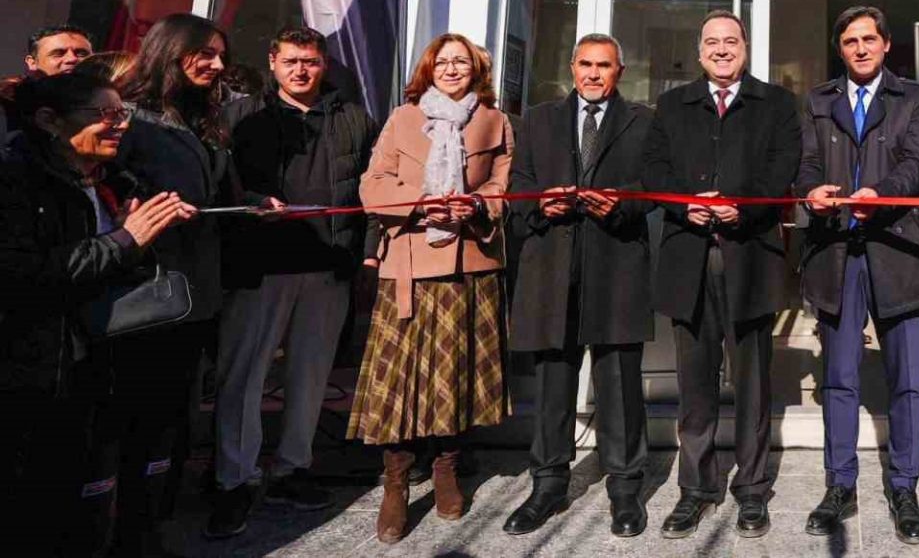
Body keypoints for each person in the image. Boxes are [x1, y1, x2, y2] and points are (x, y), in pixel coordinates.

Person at [0, 71, 196, 557]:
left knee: (98, 482)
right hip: (40, 364)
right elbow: (29, 272)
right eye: (104, 115)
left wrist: (143, 232)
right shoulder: (16, 178)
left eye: (122, 113)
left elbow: (116, 257)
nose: (120, 125)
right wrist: (125, 240)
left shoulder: (113, 178)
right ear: (50, 121)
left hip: (104, 356)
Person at [205, 27, 379, 539]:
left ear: (324, 64)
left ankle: (291, 469)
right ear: (273, 62)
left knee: (310, 377)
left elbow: (371, 193)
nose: (301, 70)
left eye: (310, 61)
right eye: (291, 61)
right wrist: (249, 205)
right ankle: (234, 480)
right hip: (259, 267)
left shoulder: (354, 119)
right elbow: (220, 188)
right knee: (244, 378)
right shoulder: (240, 116)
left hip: (327, 266)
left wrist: (368, 255)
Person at [348, 32, 513, 545]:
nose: (452, 69)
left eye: (462, 62)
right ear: (429, 68)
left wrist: (478, 205)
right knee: (399, 381)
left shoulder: (495, 120)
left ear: (476, 70)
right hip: (410, 263)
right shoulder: (403, 118)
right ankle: (396, 482)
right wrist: (420, 200)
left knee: (457, 374)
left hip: (469, 265)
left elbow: (503, 186)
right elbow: (372, 184)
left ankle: (446, 468)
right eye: (443, 62)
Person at [641, 9, 800, 540]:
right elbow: (653, 170)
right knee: (695, 385)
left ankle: (752, 490)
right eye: (712, 41)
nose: (722, 49)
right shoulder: (672, 104)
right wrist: (685, 204)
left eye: (731, 41)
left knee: (753, 384)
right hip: (688, 259)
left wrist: (743, 206)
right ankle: (695, 489)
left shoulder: (776, 103)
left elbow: (783, 168)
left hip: (749, 257)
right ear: (700, 50)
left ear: (745, 48)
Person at [797, 6, 919, 545]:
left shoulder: (915, 97)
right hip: (836, 249)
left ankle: (905, 487)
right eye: (850, 41)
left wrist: (881, 194)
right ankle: (840, 485)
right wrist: (811, 190)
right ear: (840, 49)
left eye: (868, 39)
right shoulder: (818, 100)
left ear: (886, 45)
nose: (859, 48)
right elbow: (807, 163)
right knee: (839, 376)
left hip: (897, 247)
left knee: (907, 379)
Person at [503, 33, 655, 538]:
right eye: (586, 64)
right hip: (552, 265)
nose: (593, 74)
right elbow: (518, 185)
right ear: (572, 67)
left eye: (604, 66)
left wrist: (623, 202)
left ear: (619, 72)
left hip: (616, 264)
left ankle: (626, 489)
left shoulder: (642, 121)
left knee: (620, 383)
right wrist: (538, 204)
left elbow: (655, 186)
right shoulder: (539, 119)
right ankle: (547, 484)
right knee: (553, 382)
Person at [114, 13, 246, 556]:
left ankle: (152, 523)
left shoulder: (204, 118)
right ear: (170, 50)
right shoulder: (129, 116)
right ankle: (125, 532)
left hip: (197, 291)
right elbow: (112, 190)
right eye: (205, 53)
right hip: (149, 293)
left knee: (174, 416)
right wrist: (148, 205)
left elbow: (214, 192)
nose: (217, 65)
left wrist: (254, 204)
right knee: (137, 420)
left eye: (221, 55)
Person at [0, 23, 95, 134]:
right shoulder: (7, 103)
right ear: (32, 62)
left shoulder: (106, 104)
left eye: (82, 54)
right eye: (59, 53)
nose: (72, 59)